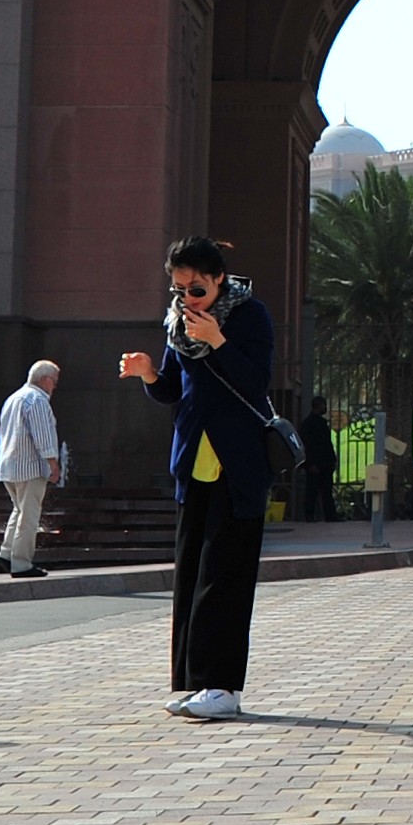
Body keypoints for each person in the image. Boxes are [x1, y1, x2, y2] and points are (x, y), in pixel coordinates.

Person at [130, 237, 279, 720]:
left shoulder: (251, 316)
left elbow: (255, 384)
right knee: (192, 576)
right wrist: (149, 375)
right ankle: (194, 683)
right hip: (193, 465)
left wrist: (219, 342)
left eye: (197, 289)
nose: (188, 299)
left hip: (239, 467)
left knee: (225, 578)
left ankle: (224, 688)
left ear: (219, 279)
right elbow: (174, 389)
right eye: (179, 290)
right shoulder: (178, 323)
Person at [0, 358, 66, 578]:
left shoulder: (14, 398)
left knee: (19, 510)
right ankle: (22, 564)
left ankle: (6, 554)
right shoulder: (37, 400)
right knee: (30, 516)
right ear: (45, 380)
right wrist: (53, 464)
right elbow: (42, 436)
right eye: (54, 381)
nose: (55, 386)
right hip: (30, 467)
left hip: (9, 467)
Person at [300, 398, 341, 523]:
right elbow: (307, 445)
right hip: (316, 464)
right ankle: (310, 515)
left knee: (326, 491)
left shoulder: (319, 423)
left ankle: (330, 516)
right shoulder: (309, 424)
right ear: (318, 406)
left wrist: (332, 459)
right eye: (324, 405)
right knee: (312, 491)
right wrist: (310, 464)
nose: (326, 408)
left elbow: (327, 444)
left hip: (324, 464)